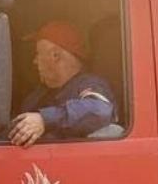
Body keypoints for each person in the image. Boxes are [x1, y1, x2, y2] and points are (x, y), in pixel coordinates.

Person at [9, 19, 115, 147]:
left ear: (55, 55)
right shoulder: (37, 96)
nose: (35, 61)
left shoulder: (90, 84)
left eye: (38, 54)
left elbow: (100, 110)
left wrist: (44, 120)